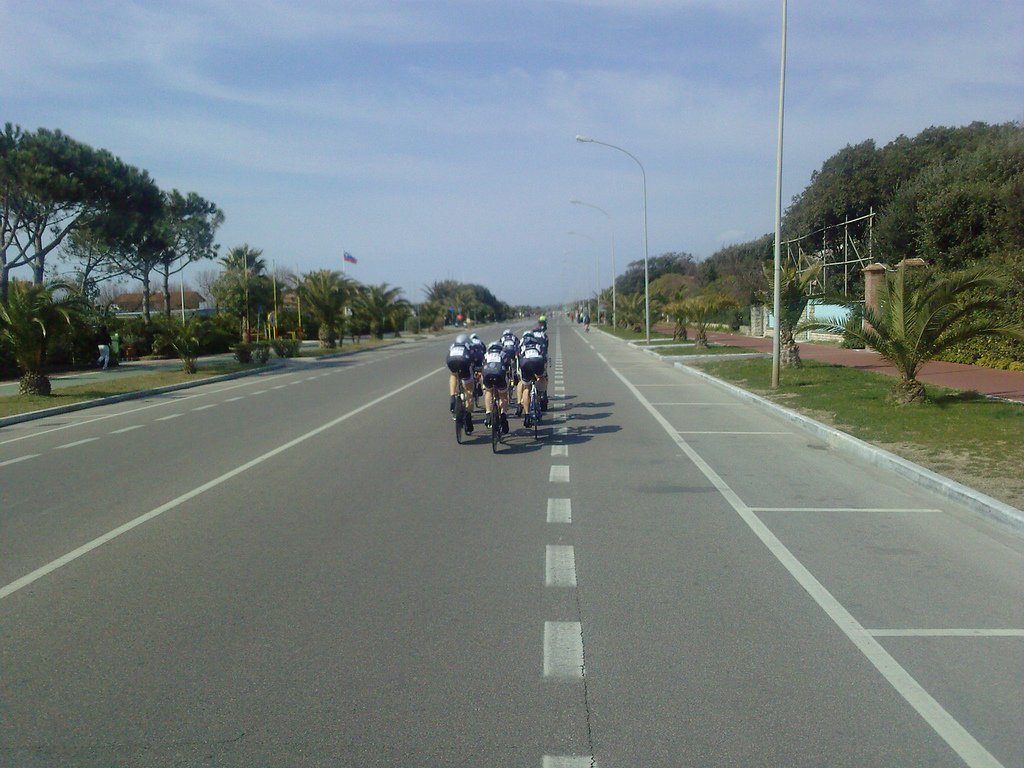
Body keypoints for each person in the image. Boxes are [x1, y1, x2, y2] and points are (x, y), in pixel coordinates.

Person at [517, 332, 548, 428]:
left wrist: (519, 373)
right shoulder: (539, 345)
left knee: (526, 388)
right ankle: (542, 394)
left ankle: (526, 415)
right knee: (542, 377)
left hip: (525, 364)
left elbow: (518, 362)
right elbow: (545, 359)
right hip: (538, 362)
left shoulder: (521, 347)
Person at [446, 333, 475, 434]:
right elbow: (473, 361)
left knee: (454, 374)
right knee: (468, 390)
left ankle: (452, 396)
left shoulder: (453, 345)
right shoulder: (468, 346)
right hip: (464, 362)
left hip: (451, 361)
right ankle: (468, 415)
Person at [481, 341, 511, 434]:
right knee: (503, 395)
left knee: (488, 392)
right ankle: (503, 415)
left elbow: (481, 366)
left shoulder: (486, 355)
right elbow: (508, 369)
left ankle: (488, 413)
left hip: (487, 374)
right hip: (499, 374)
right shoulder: (503, 354)